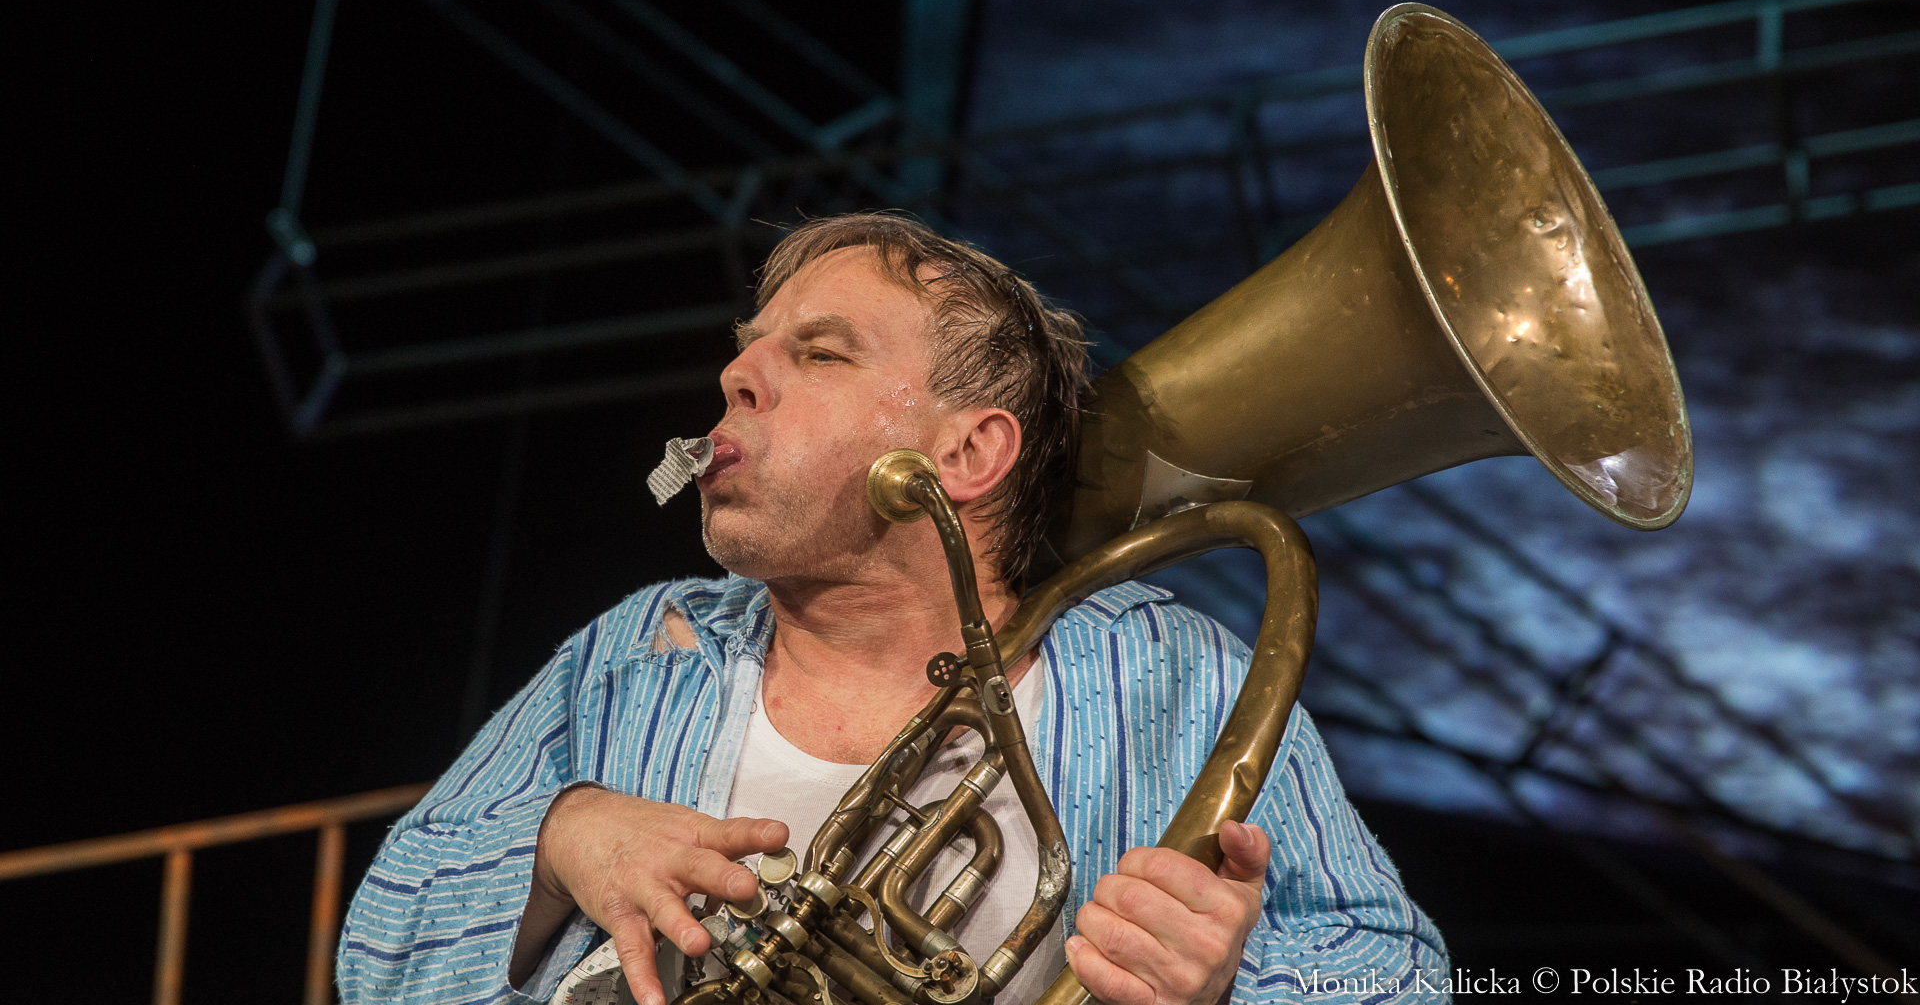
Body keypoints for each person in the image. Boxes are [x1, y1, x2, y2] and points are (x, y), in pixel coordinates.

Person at [337, 213, 1449, 1005]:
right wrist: (560, 841)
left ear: (968, 452)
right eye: (746, 349)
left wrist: (1231, 985)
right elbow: (373, 955)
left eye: (819, 352)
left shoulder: (1176, 672)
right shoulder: (641, 648)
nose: (736, 377)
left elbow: (1401, 975)